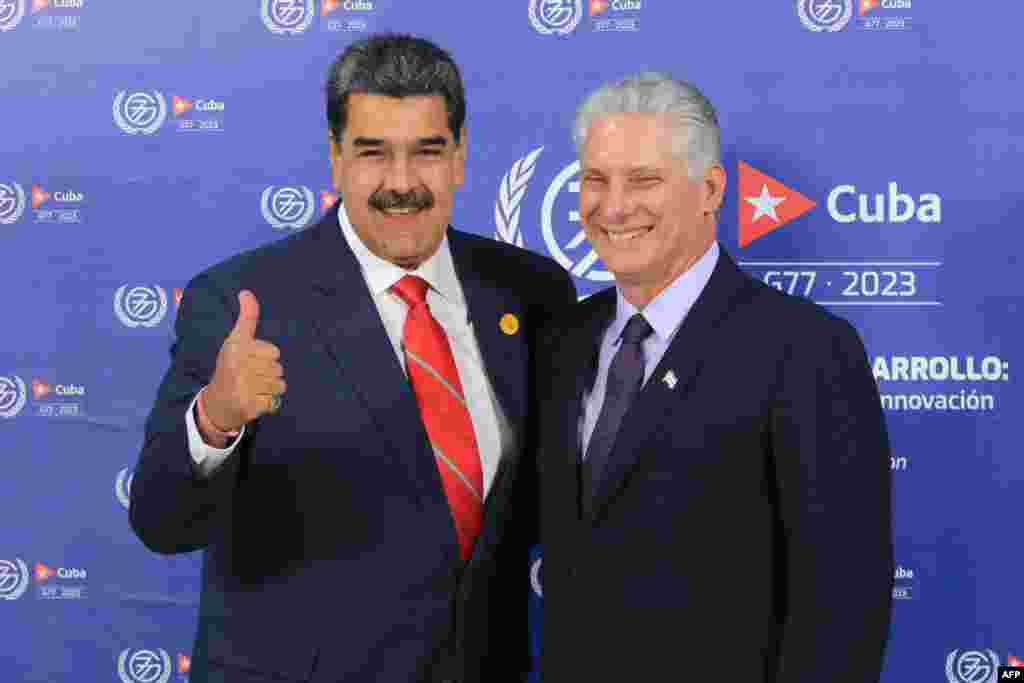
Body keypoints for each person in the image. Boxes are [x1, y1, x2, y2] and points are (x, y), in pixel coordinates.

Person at [129, 34, 574, 683]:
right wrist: (216, 418)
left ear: (460, 156)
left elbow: (557, 497)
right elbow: (160, 521)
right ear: (335, 159)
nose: (402, 183)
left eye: (427, 151)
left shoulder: (531, 291)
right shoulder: (240, 300)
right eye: (373, 153)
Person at [535, 73, 893, 681]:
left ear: (709, 190)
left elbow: (843, 604)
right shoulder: (562, 341)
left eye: (644, 180)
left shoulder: (805, 349)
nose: (613, 206)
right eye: (595, 179)